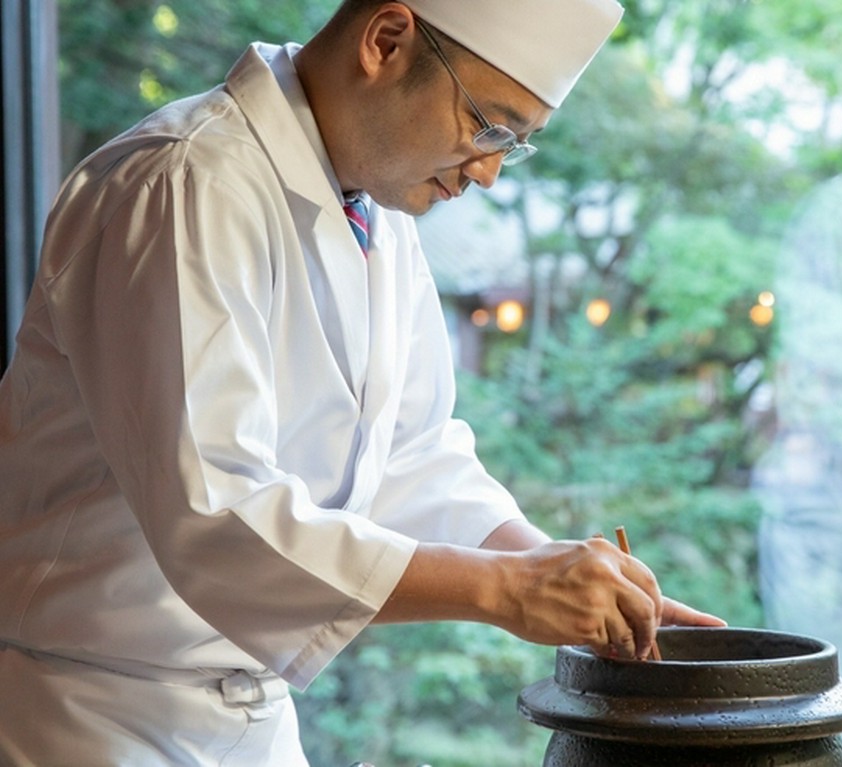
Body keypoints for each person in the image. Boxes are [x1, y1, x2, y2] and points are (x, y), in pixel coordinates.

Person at [0, 0, 725, 764]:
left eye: (516, 145)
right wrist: (509, 589)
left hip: (253, 720)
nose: (486, 171)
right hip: (86, 709)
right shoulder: (184, 180)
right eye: (488, 125)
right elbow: (217, 511)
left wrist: (569, 577)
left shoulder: (378, 212)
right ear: (385, 41)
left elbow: (412, 457)